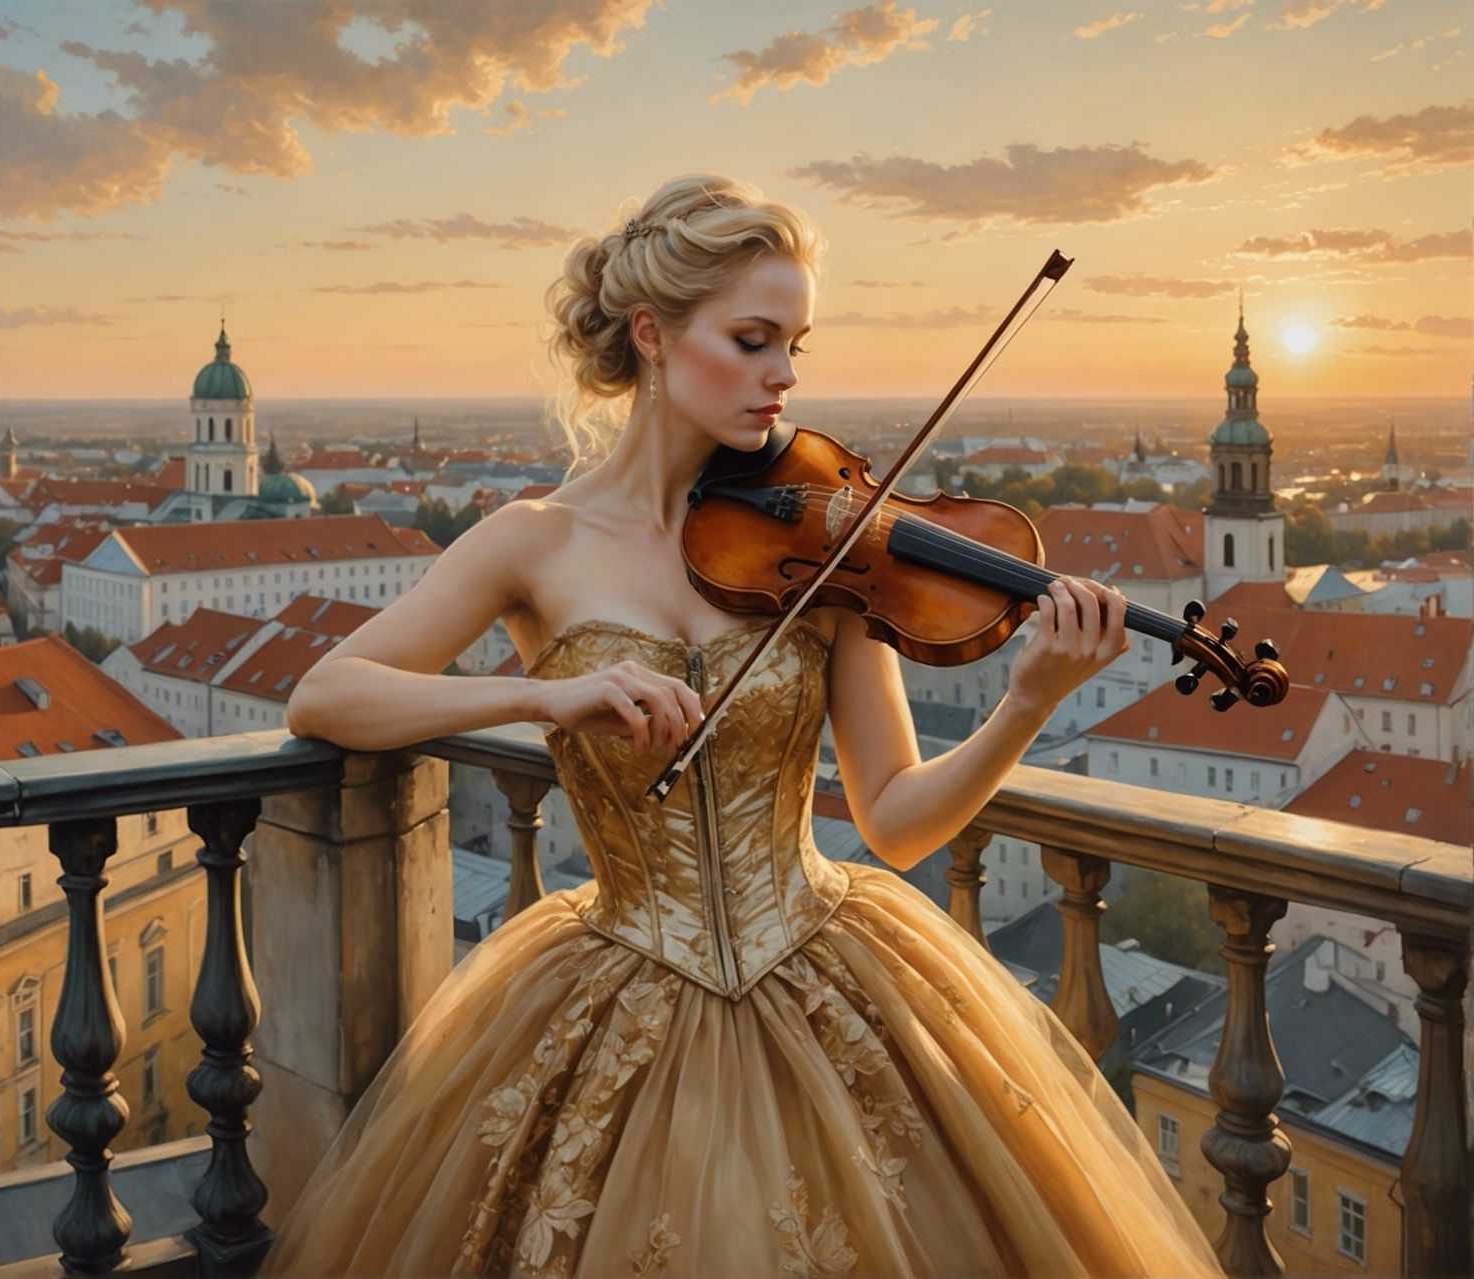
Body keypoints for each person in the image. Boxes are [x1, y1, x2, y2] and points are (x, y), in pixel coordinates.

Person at [264, 175, 1224, 1278]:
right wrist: (541, 696)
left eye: (795, 346)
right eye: (754, 339)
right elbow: (328, 696)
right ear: (653, 336)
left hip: (822, 961)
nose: (784, 378)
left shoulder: (838, 536)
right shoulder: (532, 541)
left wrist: (1025, 702)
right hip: (613, 978)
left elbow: (899, 822)